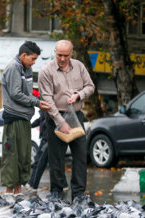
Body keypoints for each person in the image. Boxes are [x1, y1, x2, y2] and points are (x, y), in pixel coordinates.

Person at [38, 40, 95, 201]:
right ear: (54, 52)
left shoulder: (79, 66)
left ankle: (78, 192)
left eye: (66, 55)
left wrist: (79, 95)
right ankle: (57, 190)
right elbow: (47, 99)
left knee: (81, 154)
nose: (62, 59)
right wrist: (60, 122)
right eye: (59, 55)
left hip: (76, 116)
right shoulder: (46, 71)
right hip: (55, 116)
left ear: (72, 53)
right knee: (56, 156)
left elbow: (90, 86)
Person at [1, 41, 51, 195]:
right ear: (23, 55)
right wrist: (37, 103)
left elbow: (27, 93)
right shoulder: (13, 68)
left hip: (24, 119)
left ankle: (18, 192)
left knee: (24, 156)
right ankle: (10, 195)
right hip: (14, 119)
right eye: (33, 59)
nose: (34, 62)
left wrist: (37, 100)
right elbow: (16, 93)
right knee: (12, 157)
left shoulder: (25, 68)